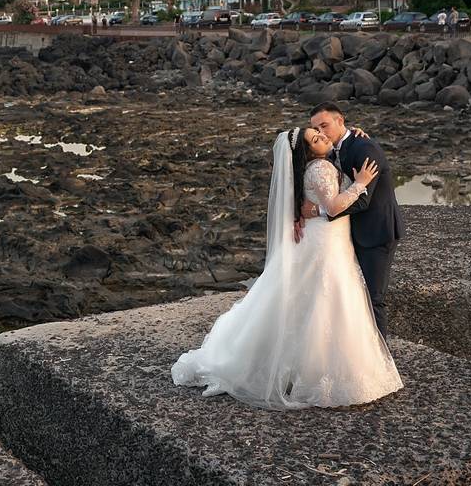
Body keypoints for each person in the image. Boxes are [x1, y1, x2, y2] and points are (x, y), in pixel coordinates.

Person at [171, 125, 402, 409]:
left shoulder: (319, 164)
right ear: (308, 152)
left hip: (327, 239)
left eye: (321, 133)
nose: (323, 137)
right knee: (326, 299)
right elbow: (332, 207)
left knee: (313, 300)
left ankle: (300, 364)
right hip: (326, 243)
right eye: (316, 139)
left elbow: (322, 200)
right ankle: (316, 369)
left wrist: (354, 131)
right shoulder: (320, 168)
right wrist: (360, 183)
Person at [302, 102, 403, 340]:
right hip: (348, 235)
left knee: (372, 298)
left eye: (325, 125)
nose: (321, 133)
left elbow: (362, 201)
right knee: (351, 296)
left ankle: (381, 356)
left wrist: (317, 210)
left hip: (376, 233)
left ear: (340, 121)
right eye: (316, 130)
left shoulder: (365, 148)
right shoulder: (331, 151)